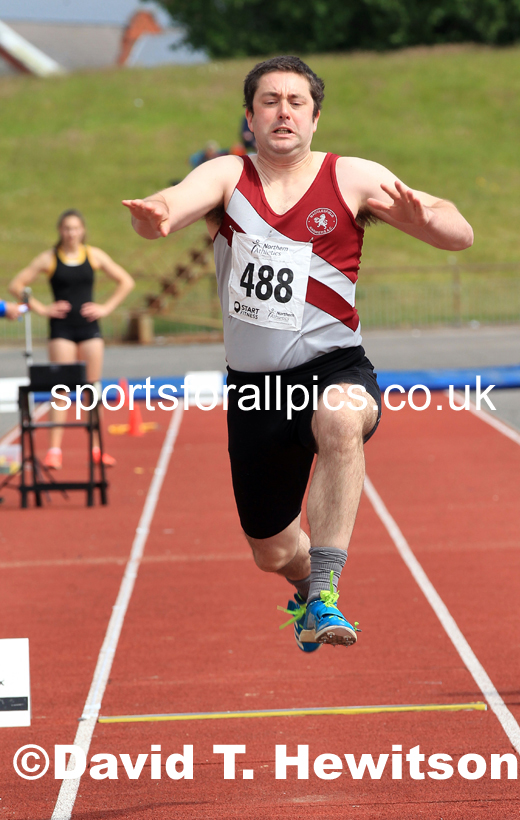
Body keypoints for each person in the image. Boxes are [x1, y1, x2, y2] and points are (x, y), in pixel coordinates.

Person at [123, 55, 473, 652]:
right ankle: (304, 580)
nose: (283, 111)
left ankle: (326, 594)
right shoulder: (228, 176)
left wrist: (431, 216)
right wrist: (157, 214)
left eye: (296, 102)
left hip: (335, 364)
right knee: (272, 549)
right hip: (256, 388)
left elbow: (457, 232)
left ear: (315, 118)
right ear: (250, 118)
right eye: (269, 101)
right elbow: (176, 203)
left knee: (340, 418)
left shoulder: (353, 177)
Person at [9, 209, 134, 470]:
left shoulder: (94, 255)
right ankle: (55, 450)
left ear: (82, 230)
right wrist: (43, 308)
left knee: (92, 389)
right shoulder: (50, 258)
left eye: (76, 228)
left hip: (89, 328)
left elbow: (126, 281)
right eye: (66, 228)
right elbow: (17, 285)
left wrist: (106, 308)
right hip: (61, 329)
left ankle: (97, 448)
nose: (71, 233)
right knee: (61, 391)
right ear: (60, 231)